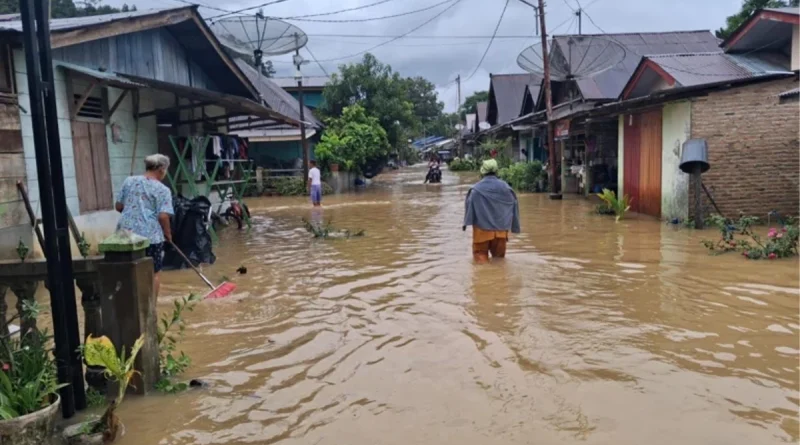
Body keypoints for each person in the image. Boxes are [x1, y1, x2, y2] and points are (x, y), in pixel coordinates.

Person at [115, 154, 174, 298]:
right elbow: (163, 216)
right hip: (151, 237)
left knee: (126, 272)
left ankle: (127, 305)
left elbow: (118, 206)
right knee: (153, 273)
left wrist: (132, 213)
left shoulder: (129, 181)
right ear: (161, 169)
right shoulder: (163, 190)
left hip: (124, 236)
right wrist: (168, 234)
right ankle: (150, 309)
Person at [463, 159, 521, 263]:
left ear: (482, 172)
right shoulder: (507, 189)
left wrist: (465, 225)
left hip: (481, 232)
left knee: (481, 262)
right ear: (496, 171)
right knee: (499, 262)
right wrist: (515, 227)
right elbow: (514, 208)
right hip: (501, 232)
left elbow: (469, 211)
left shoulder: (475, 190)